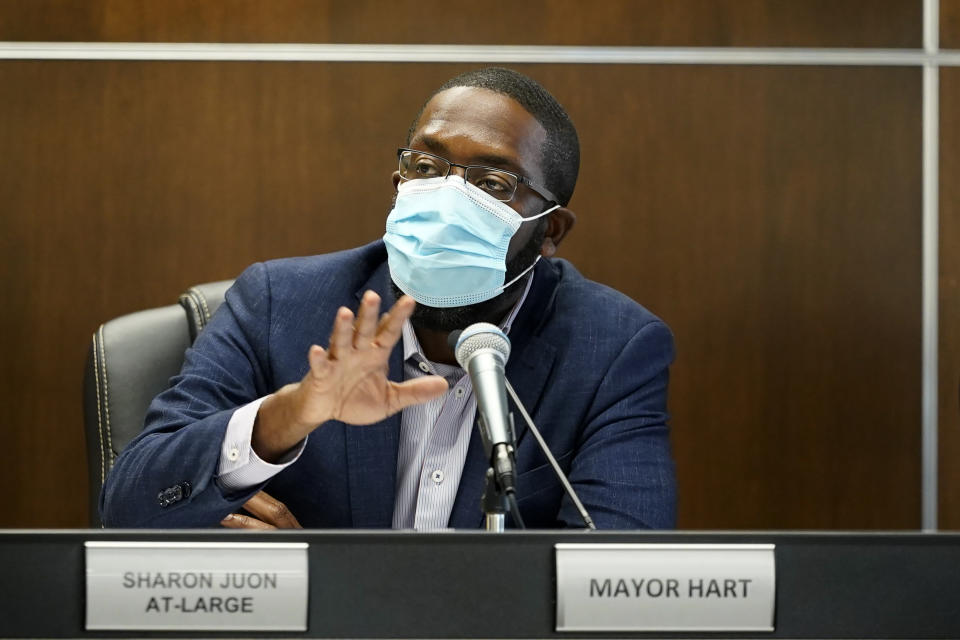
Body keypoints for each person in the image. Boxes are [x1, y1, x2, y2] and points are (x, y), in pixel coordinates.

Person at [100, 67, 676, 530]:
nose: (448, 195)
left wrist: (335, 585)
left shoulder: (613, 348)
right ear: (398, 182)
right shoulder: (278, 304)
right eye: (425, 165)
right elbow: (126, 508)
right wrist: (286, 417)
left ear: (550, 232)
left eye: (493, 183)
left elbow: (613, 585)